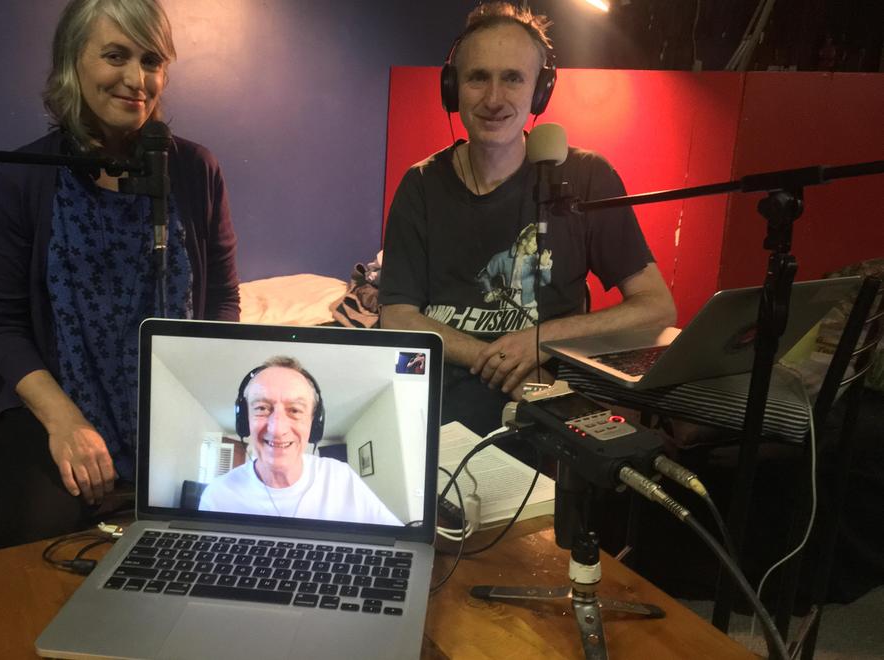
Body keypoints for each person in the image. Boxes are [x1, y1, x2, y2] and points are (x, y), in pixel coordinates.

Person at [0, 0, 239, 547]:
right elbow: (4, 327)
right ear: (73, 62)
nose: (136, 79)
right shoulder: (24, 177)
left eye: (150, 60)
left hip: (176, 405)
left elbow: (222, 301)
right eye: (115, 56)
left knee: (232, 532)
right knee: (34, 547)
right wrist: (65, 423)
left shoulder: (195, 169)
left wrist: (205, 407)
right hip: (59, 402)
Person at [379, 3, 675, 436]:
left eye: (513, 78)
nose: (494, 99)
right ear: (453, 87)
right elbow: (399, 317)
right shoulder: (422, 184)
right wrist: (502, 357)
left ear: (540, 90)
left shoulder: (586, 176)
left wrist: (540, 340)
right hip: (441, 404)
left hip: (544, 399)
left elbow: (656, 307)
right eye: (478, 77)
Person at [199, 357, 402, 526]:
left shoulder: (340, 477)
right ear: (244, 420)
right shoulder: (217, 495)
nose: (277, 429)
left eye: (295, 410)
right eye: (261, 408)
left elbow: (395, 543)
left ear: (314, 424)